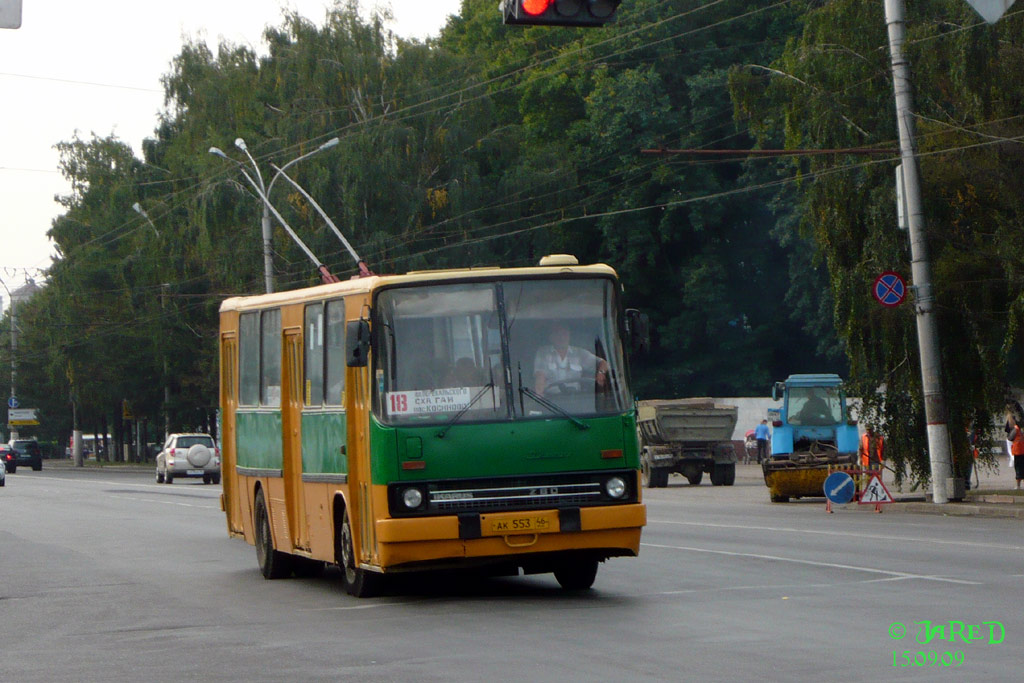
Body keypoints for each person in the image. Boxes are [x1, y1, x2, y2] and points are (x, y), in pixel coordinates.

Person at [534, 323, 609, 395]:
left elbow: (603, 363)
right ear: (550, 337)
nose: (561, 337)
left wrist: (601, 373)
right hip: (551, 400)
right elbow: (540, 377)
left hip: (576, 399)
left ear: (569, 335)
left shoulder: (580, 353)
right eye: (557, 334)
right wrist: (539, 396)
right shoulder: (543, 353)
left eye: (564, 334)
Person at [1009, 418, 1024, 490]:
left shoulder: (1016, 429)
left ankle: (1018, 485)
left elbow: (1010, 438)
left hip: (1018, 451)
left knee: (1018, 468)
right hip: (1022, 450)